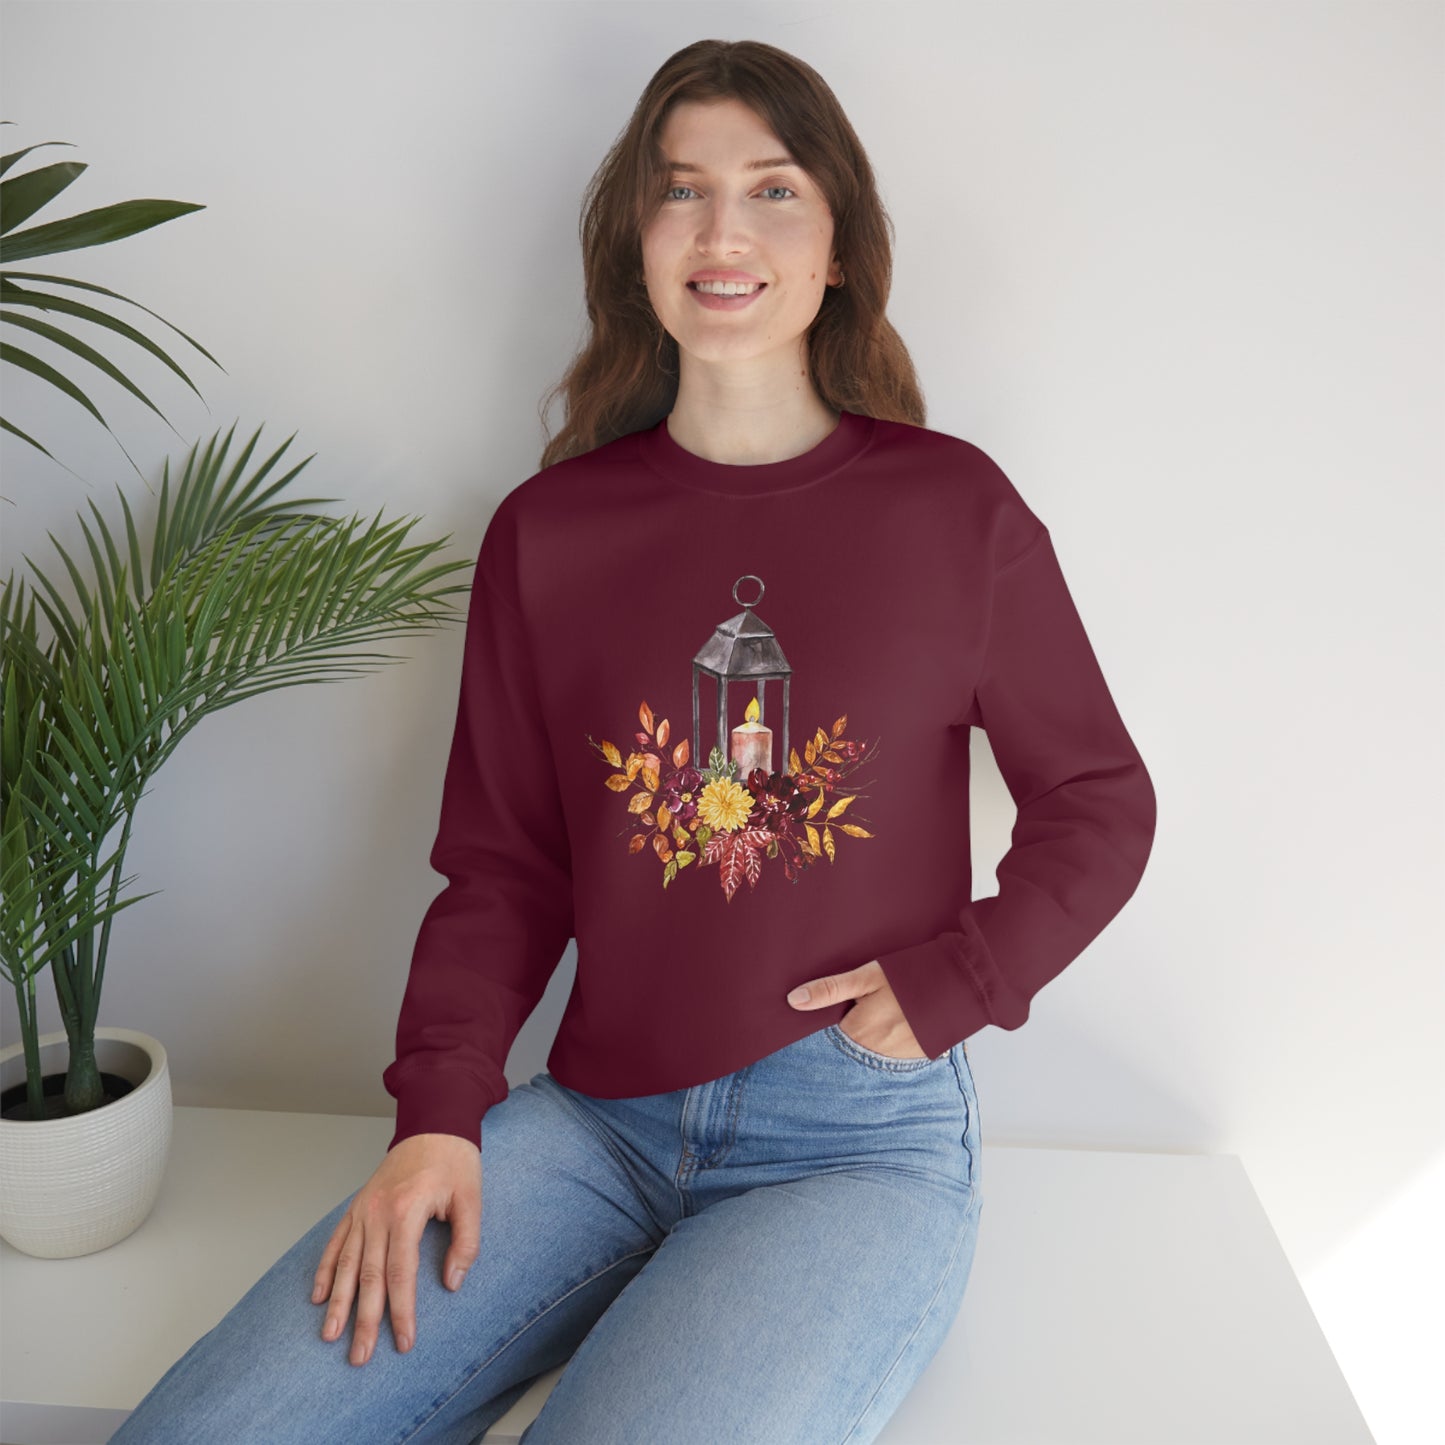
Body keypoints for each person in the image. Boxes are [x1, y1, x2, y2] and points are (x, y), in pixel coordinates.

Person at [110, 38, 1156, 1445]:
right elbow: (503, 868)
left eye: (772, 190)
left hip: (849, 1142)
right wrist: (439, 1111)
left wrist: (959, 975)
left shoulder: (950, 513)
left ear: (837, 244)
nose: (723, 232)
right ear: (636, 242)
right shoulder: (551, 534)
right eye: (681, 192)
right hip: (592, 1119)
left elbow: (1097, 797)